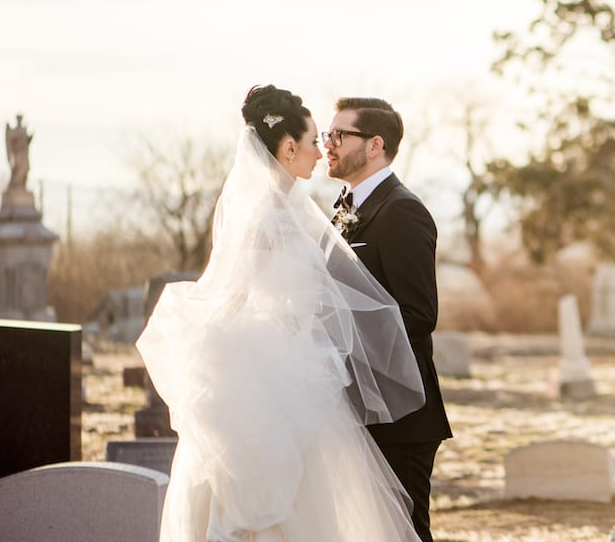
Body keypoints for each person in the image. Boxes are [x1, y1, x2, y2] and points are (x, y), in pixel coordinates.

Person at [137, 85, 426, 542]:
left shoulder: (293, 211)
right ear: (289, 148)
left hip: (305, 379)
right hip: (282, 380)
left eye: (333, 138)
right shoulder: (265, 218)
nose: (322, 150)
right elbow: (236, 297)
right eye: (316, 141)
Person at [324, 97, 452, 542]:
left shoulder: (401, 210)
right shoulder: (344, 210)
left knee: (404, 533)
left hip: (400, 412)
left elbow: (418, 314)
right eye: (327, 135)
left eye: (339, 135)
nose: (328, 144)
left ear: (375, 145)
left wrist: (339, 338)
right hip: (356, 405)